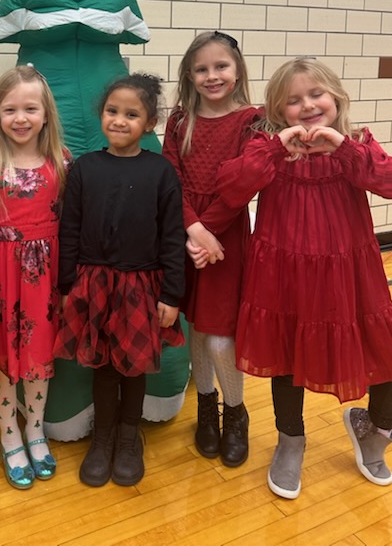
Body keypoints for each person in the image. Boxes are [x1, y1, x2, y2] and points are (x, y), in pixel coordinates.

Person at [216, 57, 392, 499]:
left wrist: (344, 147)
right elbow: (234, 186)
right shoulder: (268, 147)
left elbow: (391, 181)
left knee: (389, 354)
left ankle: (374, 431)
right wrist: (276, 147)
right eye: (293, 100)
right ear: (279, 111)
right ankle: (291, 439)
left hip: (350, 272)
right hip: (285, 272)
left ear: (335, 96)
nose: (308, 105)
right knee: (287, 357)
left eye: (316, 94)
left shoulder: (355, 142)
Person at [55, 73, 186, 487]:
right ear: (102, 116)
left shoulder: (161, 172)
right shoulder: (85, 168)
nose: (119, 120)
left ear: (148, 123)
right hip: (92, 285)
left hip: (141, 287)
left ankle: (130, 436)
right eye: (112, 111)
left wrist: (172, 294)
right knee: (103, 368)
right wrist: (66, 285)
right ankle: (104, 437)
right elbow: (69, 230)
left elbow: (172, 236)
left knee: (133, 368)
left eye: (132, 114)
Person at [162, 31, 259, 467]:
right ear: (188, 75)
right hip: (187, 233)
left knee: (221, 337)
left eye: (220, 66)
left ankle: (235, 412)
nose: (211, 75)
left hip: (227, 238)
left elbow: (244, 185)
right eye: (201, 69)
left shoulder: (252, 120)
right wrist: (192, 230)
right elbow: (171, 180)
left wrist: (207, 234)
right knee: (197, 329)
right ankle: (206, 406)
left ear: (237, 70)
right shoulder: (180, 120)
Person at [0, 65, 69, 490]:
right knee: (4, 358)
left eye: (31, 108)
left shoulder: (62, 164)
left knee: (39, 357)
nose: (21, 118)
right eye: (10, 109)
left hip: (45, 276)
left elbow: (69, 227)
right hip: (0, 275)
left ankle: (35, 429)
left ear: (46, 113)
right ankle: (9, 433)